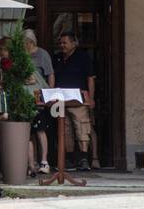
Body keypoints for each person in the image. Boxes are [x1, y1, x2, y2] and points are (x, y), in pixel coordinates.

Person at [53, 30, 96, 172]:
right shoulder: (58, 58)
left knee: (82, 128)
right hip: (61, 100)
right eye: (61, 42)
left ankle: (83, 159)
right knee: (65, 130)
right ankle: (70, 160)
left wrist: (91, 98)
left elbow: (90, 78)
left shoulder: (83, 57)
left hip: (79, 99)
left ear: (73, 43)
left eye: (65, 42)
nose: (62, 45)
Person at [23, 29, 55, 176]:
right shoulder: (21, 54)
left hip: (39, 95)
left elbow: (50, 74)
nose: (25, 46)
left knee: (41, 129)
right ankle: (32, 162)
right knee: (29, 131)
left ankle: (44, 161)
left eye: (27, 43)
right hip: (25, 95)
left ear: (32, 42)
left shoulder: (42, 54)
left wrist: (51, 94)